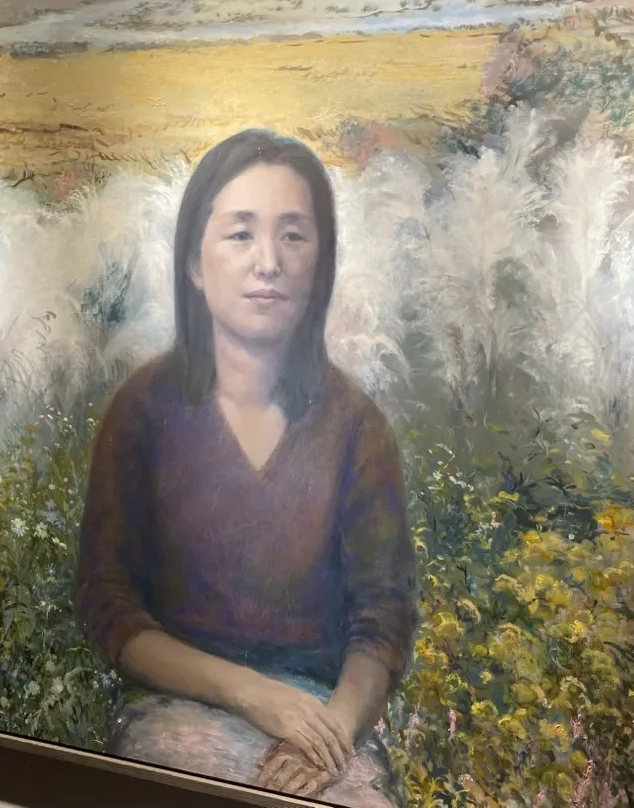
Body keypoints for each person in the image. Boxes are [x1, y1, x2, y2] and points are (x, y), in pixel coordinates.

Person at [74, 128, 417, 807]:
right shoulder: (143, 411)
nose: (269, 262)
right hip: (177, 708)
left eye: (293, 236)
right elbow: (108, 607)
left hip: (324, 722)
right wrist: (253, 695)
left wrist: (331, 733)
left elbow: (383, 619)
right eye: (240, 234)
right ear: (194, 263)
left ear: (321, 261)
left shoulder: (357, 425)